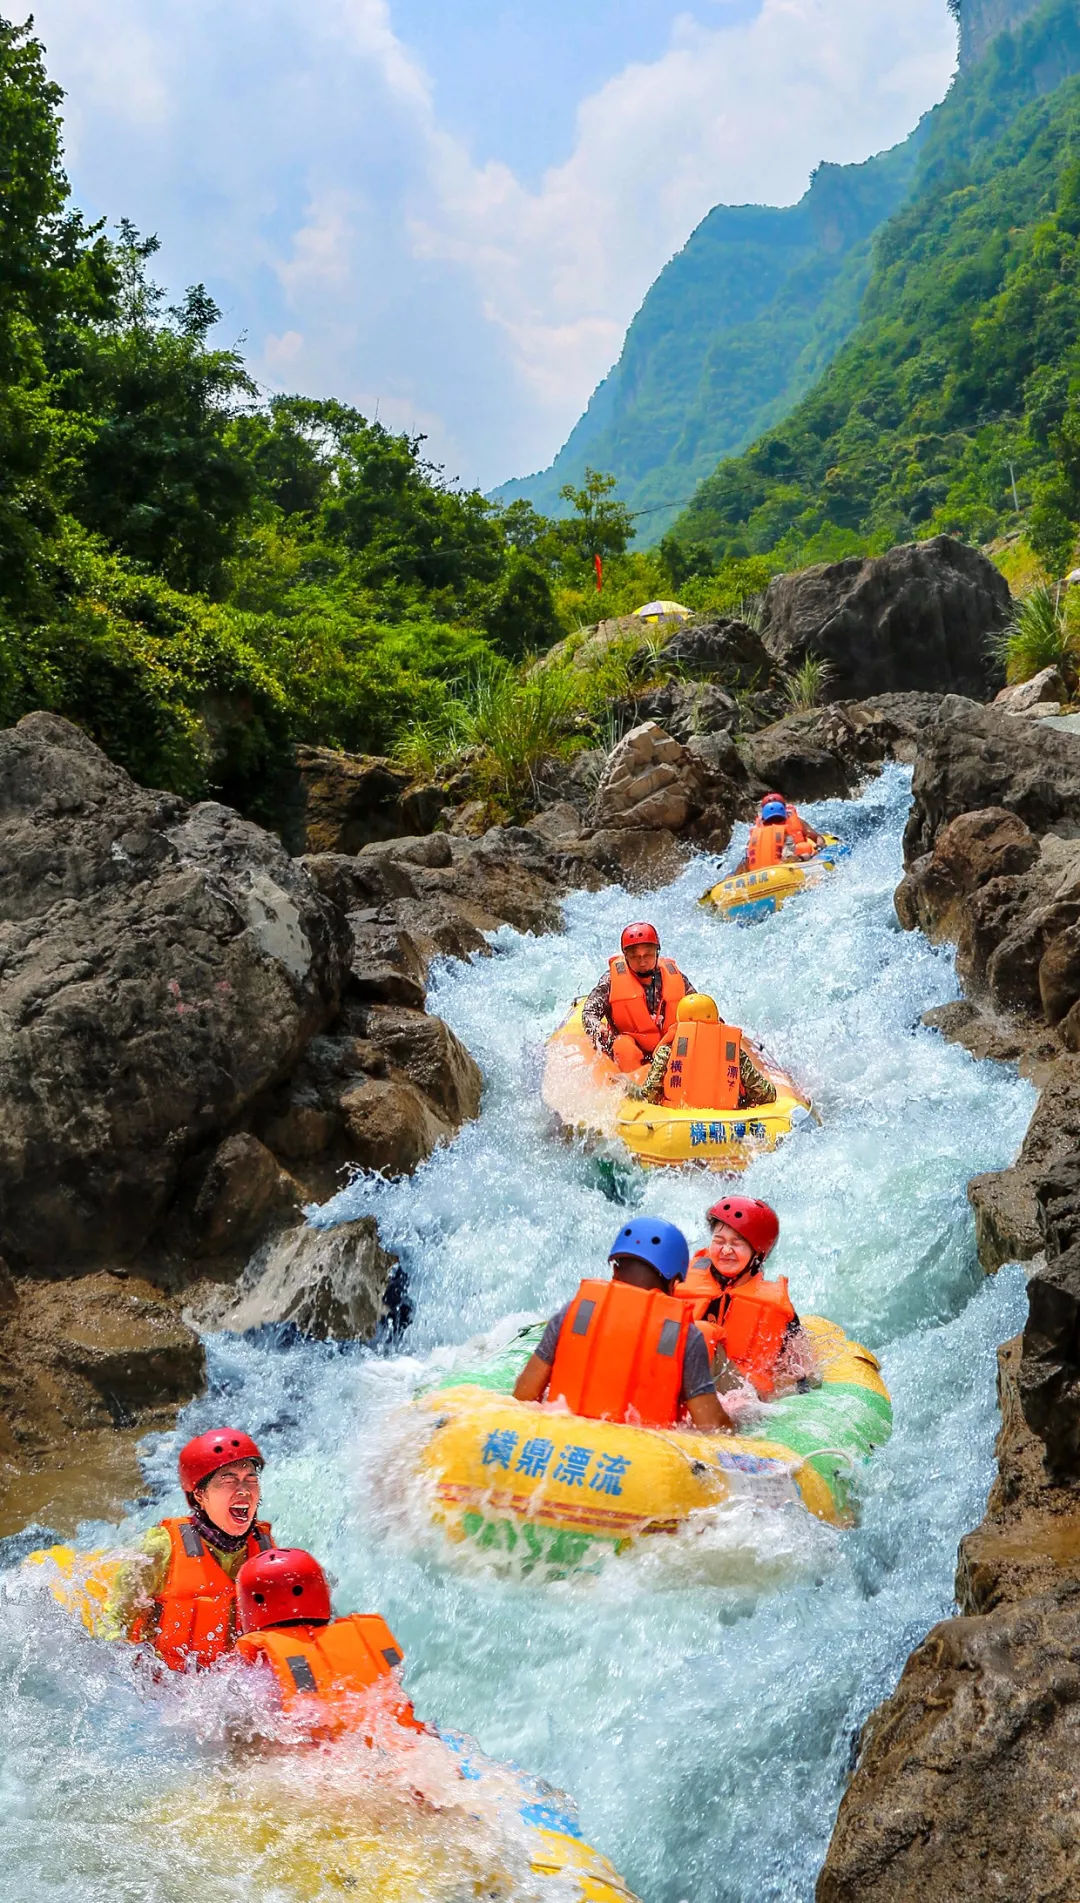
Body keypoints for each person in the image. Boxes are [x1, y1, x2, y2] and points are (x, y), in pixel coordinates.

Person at [512, 1217, 730, 1432]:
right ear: (673, 1282)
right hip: (638, 1456)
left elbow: (524, 1395)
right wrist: (738, 1424)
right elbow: (711, 1426)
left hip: (564, 1440)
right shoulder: (684, 1335)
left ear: (615, 1269)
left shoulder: (576, 1311)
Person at [106, 1427, 275, 1669]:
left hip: (226, 1685)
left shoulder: (267, 1550)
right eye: (228, 1480)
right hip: (160, 1683)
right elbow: (115, 1623)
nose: (244, 1490)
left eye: (251, 1480)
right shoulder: (162, 1547)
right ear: (199, 1495)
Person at [234, 1546, 421, 1741]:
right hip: (402, 1744)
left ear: (249, 1605)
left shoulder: (260, 1668)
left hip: (324, 1757)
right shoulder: (362, 1638)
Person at [673, 1197, 806, 1399]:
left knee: (704, 1336)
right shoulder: (678, 1279)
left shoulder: (776, 1309)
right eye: (719, 1241)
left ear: (758, 1254)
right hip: (681, 1379)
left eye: (737, 1244)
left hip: (741, 1396)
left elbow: (804, 1371)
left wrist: (799, 1378)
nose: (726, 1250)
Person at [630, 992, 776, 1111]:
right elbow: (763, 1093)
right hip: (726, 1119)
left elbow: (650, 1094)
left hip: (678, 1120)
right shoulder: (733, 1051)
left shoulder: (667, 1051)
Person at [581, 922, 696, 1072]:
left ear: (657, 953)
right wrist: (597, 1027)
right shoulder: (611, 980)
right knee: (624, 1046)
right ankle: (632, 1087)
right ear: (626, 957)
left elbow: (698, 1008)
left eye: (647, 954)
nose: (642, 961)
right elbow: (589, 1013)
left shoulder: (676, 977)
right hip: (631, 1051)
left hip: (668, 1048)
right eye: (635, 956)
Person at [733, 794, 825, 874]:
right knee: (805, 852)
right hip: (781, 869)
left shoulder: (756, 833)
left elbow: (748, 857)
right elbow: (789, 858)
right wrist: (807, 856)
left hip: (762, 870)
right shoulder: (785, 834)